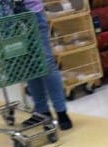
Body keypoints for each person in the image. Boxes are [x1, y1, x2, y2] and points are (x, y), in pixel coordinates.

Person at [21, 0, 73, 130]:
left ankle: (61, 112)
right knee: (28, 66)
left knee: (46, 62)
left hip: (31, 12)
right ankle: (42, 112)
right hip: (7, 17)